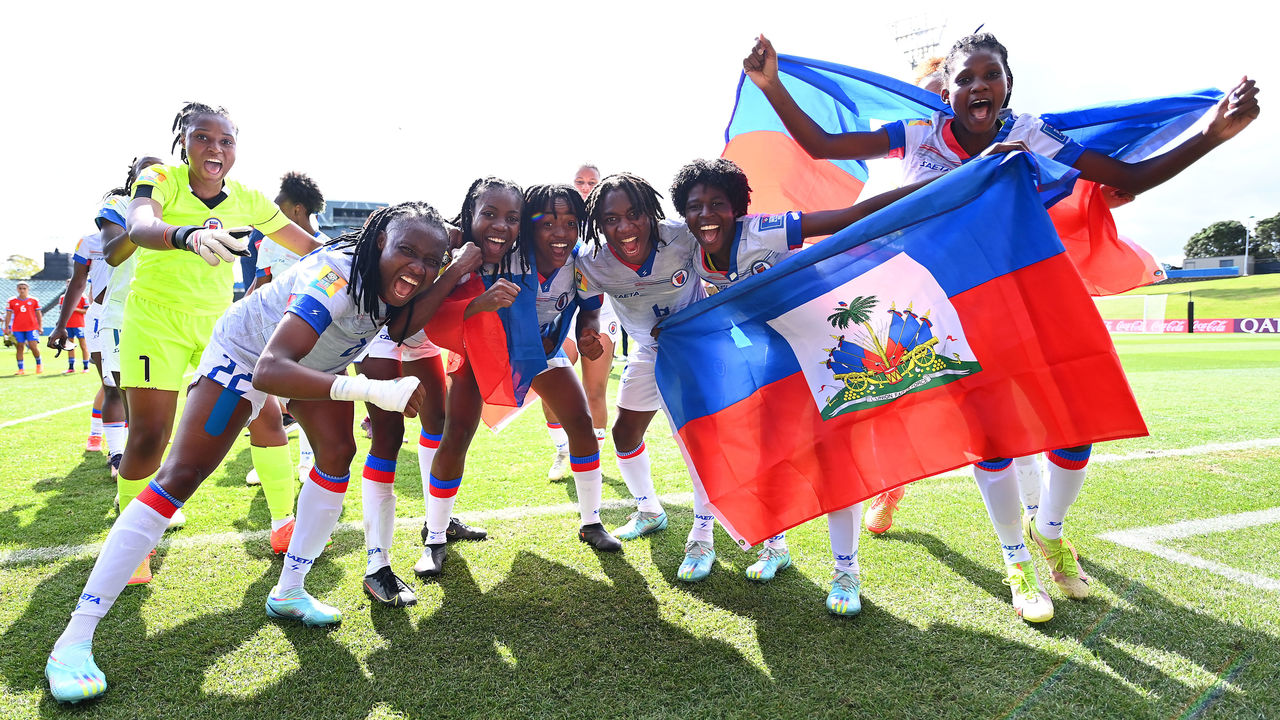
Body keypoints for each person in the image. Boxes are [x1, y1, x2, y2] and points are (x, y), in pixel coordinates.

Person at [744, 31, 1260, 622]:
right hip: (944, 305)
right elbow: (821, 144)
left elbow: (1130, 175)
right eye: (964, 79)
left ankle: (1051, 532)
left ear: (1007, 83)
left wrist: (1211, 135)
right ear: (949, 91)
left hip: (1027, 291)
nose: (977, 87)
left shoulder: (1029, 134)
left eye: (989, 76)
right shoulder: (919, 136)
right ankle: (1015, 562)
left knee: (1075, 423)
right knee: (991, 435)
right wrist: (772, 84)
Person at [44, 201, 480, 704]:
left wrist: (456, 267)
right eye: (407, 251)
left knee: (337, 454)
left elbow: (401, 324)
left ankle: (289, 590)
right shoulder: (335, 278)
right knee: (181, 475)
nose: (419, 268)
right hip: (248, 356)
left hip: (312, 363)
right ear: (378, 241)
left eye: (432, 258)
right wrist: (371, 392)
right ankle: (72, 640)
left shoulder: (405, 275)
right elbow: (270, 370)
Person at [669, 158, 929, 612]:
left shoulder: (764, 232)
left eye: (717, 204)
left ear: (738, 208)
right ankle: (776, 546)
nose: (706, 215)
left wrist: (940, 182)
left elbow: (850, 217)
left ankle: (846, 574)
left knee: (835, 462)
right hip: (772, 356)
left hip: (827, 348)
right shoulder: (691, 250)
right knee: (767, 456)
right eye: (695, 207)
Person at [114, 102, 321, 579]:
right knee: (150, 435)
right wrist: (185, 236)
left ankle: (283, 523)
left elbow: (307, 246)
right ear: (183, 143)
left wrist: (363, 253)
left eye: (226, 141)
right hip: (155, 322)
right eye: (203, 138)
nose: (216, 148)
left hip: (220, 326)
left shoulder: (247, 198)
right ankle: (135, 542)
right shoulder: (161, 179)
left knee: (266, 415)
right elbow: (139, 226)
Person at [414, 178, 621, 581]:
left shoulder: (581, 260)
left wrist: (586, 332)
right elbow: (445, 310)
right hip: (483, 351)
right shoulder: (494, 257)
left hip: (541, 351)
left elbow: (590, 307)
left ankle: (592, 522)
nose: (559, 233)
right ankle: (435, 537)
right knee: (456, 433)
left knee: (579, 421)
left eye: (570, 222)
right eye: (547, 223)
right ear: (529, 227)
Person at [574, 173, 706, 547]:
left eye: (634, 214)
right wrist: (587, 332)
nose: (625, 227)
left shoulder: (682, 236)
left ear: (651, 211)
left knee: (701, 441)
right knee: (624, 433)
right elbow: (589, 307)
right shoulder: (593, 259)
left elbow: (718, 279)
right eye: (611, 220)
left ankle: (706, 527)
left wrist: (689, 325)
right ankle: (650, 510)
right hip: (649, 351)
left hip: (697, 349)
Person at [240, 171, 334, 552]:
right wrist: (241, 312)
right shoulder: (267, 244)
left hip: (316, 338)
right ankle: (274, 464)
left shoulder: (328, 247)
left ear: (296, 210)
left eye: (278, 208)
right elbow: (260, 286)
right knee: (265, 407)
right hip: (272, 337)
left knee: (310, 408)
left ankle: (310, 468)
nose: (272, 215)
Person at [543, 164, 621, 479]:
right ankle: (563, 447)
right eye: (580, 181)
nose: (586, 186)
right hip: (564, 310)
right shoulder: (562, 221)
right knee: (552, 388)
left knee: (595, 389)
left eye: (592, 181)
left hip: (602, 310)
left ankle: (592, 457)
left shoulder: (610, 220)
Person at [95, 157, 166, 478]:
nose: (154, 174)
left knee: (150, 394)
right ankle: (119, 455)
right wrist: (141, 228)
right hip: (122, 312)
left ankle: (140, 460)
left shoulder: (172, 201)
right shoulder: (120, 204)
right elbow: (112, 253)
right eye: (147, 169)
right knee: (117, 387)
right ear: (133, 176)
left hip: (159, 313)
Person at [5, 281, 42, 375]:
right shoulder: (11, 301)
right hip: (17, 328)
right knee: (19, 347)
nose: (22, 290)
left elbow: (38, 314)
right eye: (20, 288)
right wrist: (6, 328)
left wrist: (40, 327)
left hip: (32, 327)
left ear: (27, 289)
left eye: (24, 288)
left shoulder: (34, 300)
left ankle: (39, 365)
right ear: (17, 289)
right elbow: (8, 315)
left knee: (33, 346)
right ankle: (21, 369)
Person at [54, 284, 90, 373]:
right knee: (69, 346)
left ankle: (85, 367)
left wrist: (75, 309)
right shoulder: (63, 297)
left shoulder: (83, 297)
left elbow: (86, 310)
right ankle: (71, 367)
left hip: (79, 324)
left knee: (83, 345)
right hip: (68, 325)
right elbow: (61, 310)